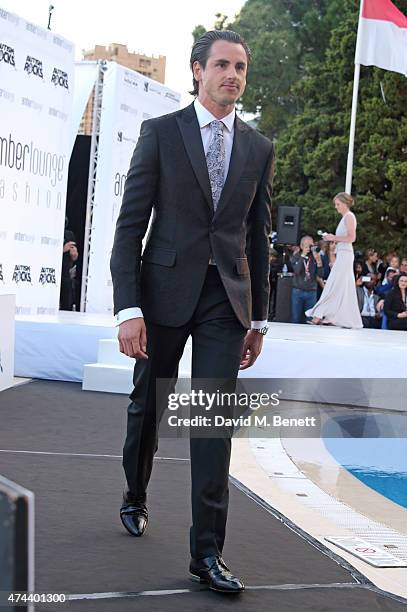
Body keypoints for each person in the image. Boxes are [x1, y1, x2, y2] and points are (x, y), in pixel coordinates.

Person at [110, 30, 274, 594]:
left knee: (213, 426)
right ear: (198, 71)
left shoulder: (258, 148)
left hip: (225, 302)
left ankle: (206, 555)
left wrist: (258, 318)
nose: (234, 75)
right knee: (147, 409)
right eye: (223, 65)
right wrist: (128, 308)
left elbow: (258, 238)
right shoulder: (160, 134)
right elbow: (130, 226)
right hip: (161, 297)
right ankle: (135, 492)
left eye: (242, 67)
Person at [305, 192, 362, 328]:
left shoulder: (349, 217)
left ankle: (320, 315)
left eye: (338, 204)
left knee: (334, 284)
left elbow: (351, 238)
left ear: (345, 203)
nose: (336, 207)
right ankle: (330, 316)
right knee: (341, 285)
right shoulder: (346, 218)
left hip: (346, 254)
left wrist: (333, 238)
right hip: (343, 253)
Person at [290, 236, 323, 323]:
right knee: (295, 318)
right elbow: (296, 271)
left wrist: (319, 261)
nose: (309, 247)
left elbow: (320, 274)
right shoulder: (296, 256)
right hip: (298, 290)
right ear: (301, 246)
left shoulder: (315, 257)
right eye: (306, 245)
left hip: (311, 292)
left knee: (310, 320)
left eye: (311, 245)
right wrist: (303, 256)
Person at [60, 217, 78, 310]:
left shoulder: (69, 234)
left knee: (67, 301)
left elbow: (75, 256)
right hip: (55, 271)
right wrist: (63, 250)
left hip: (66, 272)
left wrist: (74, 253)